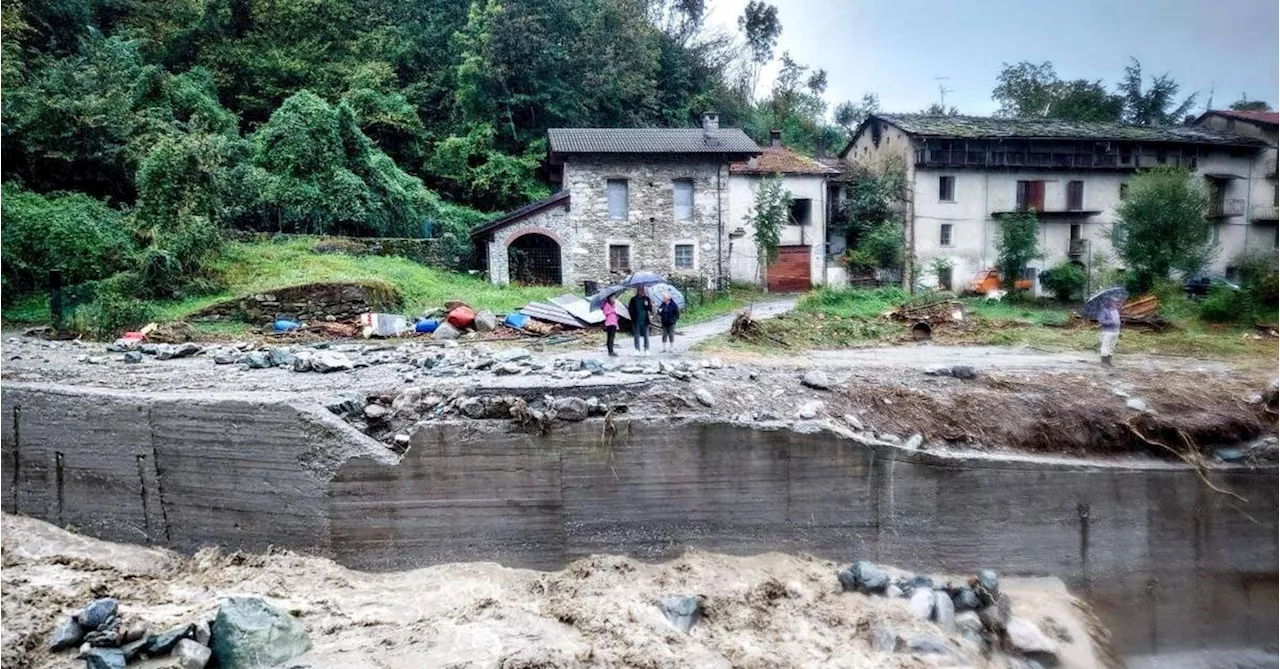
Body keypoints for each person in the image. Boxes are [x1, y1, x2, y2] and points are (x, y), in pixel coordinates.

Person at [627, 286, 653, 356]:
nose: (642, 292)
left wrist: (647, 305)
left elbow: (650, 309)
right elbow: (630, 309)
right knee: (636, 335)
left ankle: (646, 349)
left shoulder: (647, 299)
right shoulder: (633, 299)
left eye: (643, 290)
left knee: (646, 335)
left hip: (645, 319)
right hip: (636, 320)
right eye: (641, 290)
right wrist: (633, 317)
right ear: (637, 291)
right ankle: (637, 349)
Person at [1097, 296, 1121, 367]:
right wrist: (1111, 321)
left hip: (1116, 331)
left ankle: (1109, 361)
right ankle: (1104, 362)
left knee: (1112, 346)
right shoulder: (1104, 310)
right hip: (1107, 331)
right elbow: (1101, 321)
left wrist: (1118, 323)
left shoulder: (1115, 310)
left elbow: (1117, 320)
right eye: (1113, 301)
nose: (1115, 303)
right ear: (1109, 302)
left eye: (1116, 302)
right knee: (1105, 346)